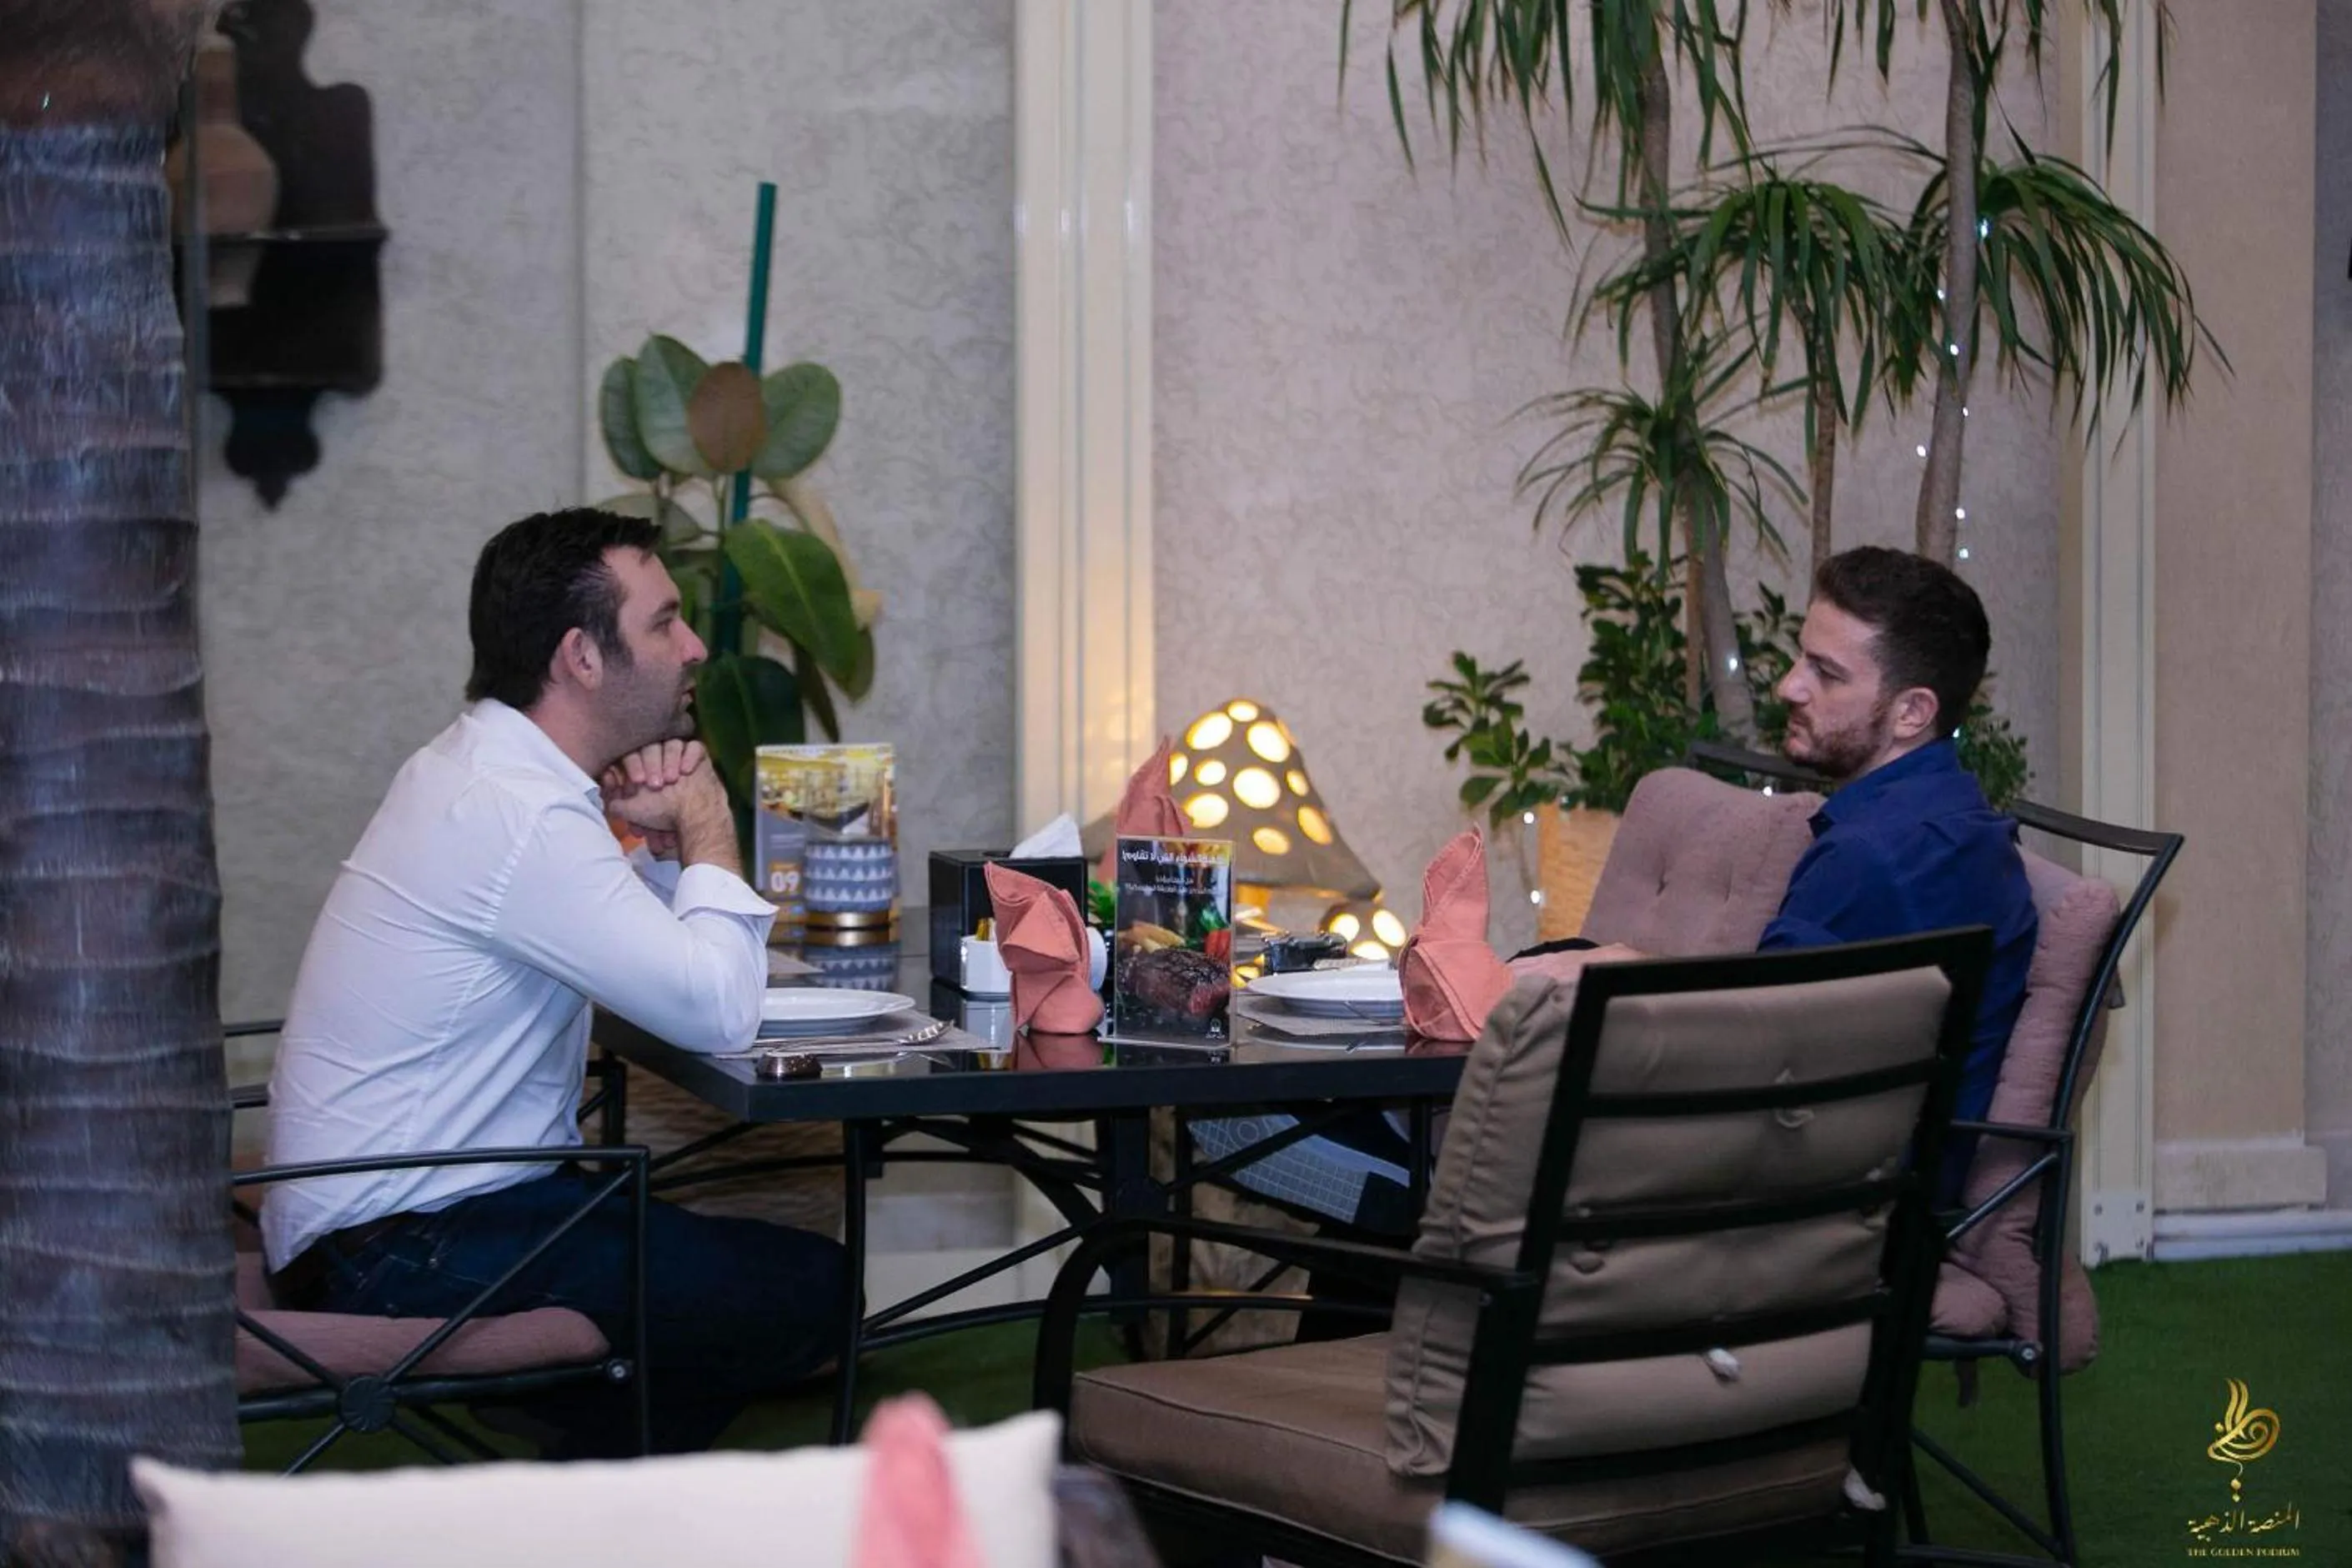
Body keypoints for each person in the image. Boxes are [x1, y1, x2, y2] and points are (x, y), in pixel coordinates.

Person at [260, 507, 845, 1456]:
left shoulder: (486, 773)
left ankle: (599, 1473)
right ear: (581, 655)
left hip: (400, 1217)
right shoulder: (518, 810)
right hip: (409, 1247)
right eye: (663, 622)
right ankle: (598, 1474)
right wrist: (701, 820)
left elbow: (652, 962)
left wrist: (653, 847)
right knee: (809, 1289)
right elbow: (718, 1010)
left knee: (725, 1284)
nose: (694, 646)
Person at [1754, 544, 2039, 1188]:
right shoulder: (1949, 817)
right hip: (1861, 1184)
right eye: (1801, 656)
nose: (1788, 686)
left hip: (1830, 1219)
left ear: (1912, 712)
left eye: (1825, 672)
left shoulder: (1873, 855)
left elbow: (1744, 1055)